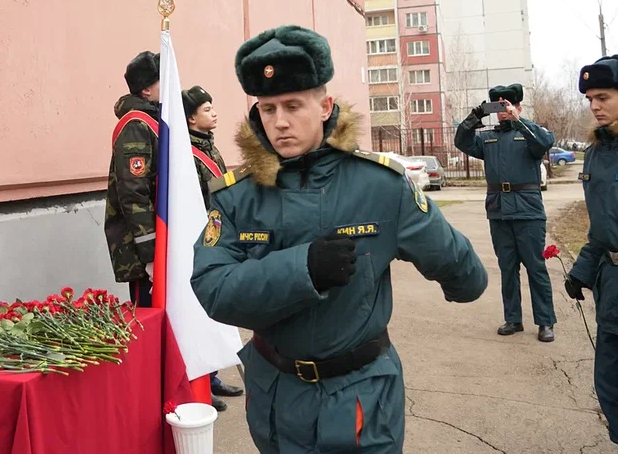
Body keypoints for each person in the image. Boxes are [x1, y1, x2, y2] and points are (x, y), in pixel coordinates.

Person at [191, 24, 487, 452]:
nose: (280, 122)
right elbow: (212, 289)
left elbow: (465, 275)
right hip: (276, 399)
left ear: (326, 106)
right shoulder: (237, 195)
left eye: (293, 105)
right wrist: (302, 269)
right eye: (268, 109)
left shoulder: (381, 186)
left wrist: (452, 269)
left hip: (359, 399)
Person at [454, 84, 557, 341]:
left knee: (536, 267)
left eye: (507, 105)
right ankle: (513, 319)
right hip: (499, 211)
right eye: (498, 107)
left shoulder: (530, 133)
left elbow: (545, 142)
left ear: (518, 106)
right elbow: (461, 141)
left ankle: (545, 322)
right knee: (507, 268)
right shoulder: (488, 138)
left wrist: (518, 120)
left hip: (528, 212)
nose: (502, 111)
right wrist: (476, 115)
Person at [565, 54, 618, 445]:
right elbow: (600, 226)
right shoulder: (597, 153)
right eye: (589, 99)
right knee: (610, 379)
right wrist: (582, 269)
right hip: (611, 277)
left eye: (603, 96)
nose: (595, 106)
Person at [182, 86, 244, 412]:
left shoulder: (208, 145)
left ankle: (214, 374)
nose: (214, 113)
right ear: (191, 118)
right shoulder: (186, 153)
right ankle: (202, 381)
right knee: (202, 313)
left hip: (219, 233)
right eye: (207, 109)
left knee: (218, 313)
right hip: (203, 236)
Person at [104, 51, 160, 307]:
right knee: (149, 317)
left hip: (161, 241)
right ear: (147, 89)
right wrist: (150, 255)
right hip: (144, 252)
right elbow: (133, 192)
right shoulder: (136, 125)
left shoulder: (153, 120)